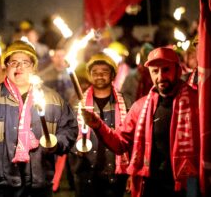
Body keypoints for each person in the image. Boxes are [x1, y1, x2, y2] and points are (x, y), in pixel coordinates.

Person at [0, 40, 78, 197]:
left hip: (39, 184)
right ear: (6, 67)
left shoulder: (52, 98)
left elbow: (70, 128)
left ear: (34, 68)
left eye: (25, 63)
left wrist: (57, 143)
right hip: (1, 186)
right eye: (14, 62)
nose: (19, 67)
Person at [82, 47, 200, 197]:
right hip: (151, 185)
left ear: (177, 70)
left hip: (188, 185)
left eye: (165, 70)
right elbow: (119, 143)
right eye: (155, 71)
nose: (160, 76)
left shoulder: (197, 102)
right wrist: (98, 126)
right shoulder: (140, 107)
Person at [68, 53, 132, 197]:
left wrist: (131, 172)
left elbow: (132, 139)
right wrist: (76, 148)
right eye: (95, 73)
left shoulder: (126, 103)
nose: (99, 76)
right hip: (85, 172)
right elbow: (69, 135)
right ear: (89, 75)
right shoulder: (77, 104)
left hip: (116, 173)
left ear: (113, 75)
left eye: (104, 72)